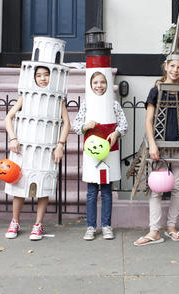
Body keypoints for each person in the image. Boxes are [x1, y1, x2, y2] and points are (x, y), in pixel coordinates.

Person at [134, 59, 179, 246]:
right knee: (156, 189)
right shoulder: (156, 90)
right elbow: (148, 120)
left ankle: (171, 226)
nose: (175, 70)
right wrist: (152, 144)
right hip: (160, 145)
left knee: (177, 188)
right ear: (166, 66)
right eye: (172, 66)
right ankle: (154, 230)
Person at [4, 66, 70, 240]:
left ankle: (38, 224)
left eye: (46, 75)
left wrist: (60, 145)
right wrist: (12, 138)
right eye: (39, 75)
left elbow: (66, 123)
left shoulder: (58, 99)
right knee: (19, 185)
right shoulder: (25, 96)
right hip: (23, 148)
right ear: (33, 78)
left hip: (46, 149)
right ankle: (15, 221)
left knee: (42, 187)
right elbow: (8, 117)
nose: (42, 78)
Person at [72, 71, 128, 241]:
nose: (99, 85)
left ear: (108, 84)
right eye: (95, 82)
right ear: (90, 85)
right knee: (91, 192)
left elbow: (123, 124)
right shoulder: (86, 104)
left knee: (106, 191)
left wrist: (116, 133)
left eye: (102, 82)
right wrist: (85, 126)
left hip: (109, 152)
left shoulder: (114, 105)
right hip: (91, 153)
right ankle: (90, 226)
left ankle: (106, 226)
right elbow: (76, 126)